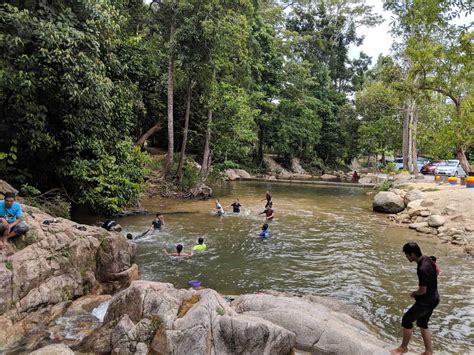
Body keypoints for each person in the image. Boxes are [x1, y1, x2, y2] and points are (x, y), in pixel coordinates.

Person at [391, 242, 440, 355]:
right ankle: (428, 351)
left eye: (407, 255)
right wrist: (434, 274)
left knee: (406, 320)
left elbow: (423, 291)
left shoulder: (421, 269)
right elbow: (436, 267)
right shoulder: (428, 259)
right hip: (435, 298)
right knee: (423, 323)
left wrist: (414, 293)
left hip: (426, 301)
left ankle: (403, 348)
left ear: (412, 254)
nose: (407, 257)